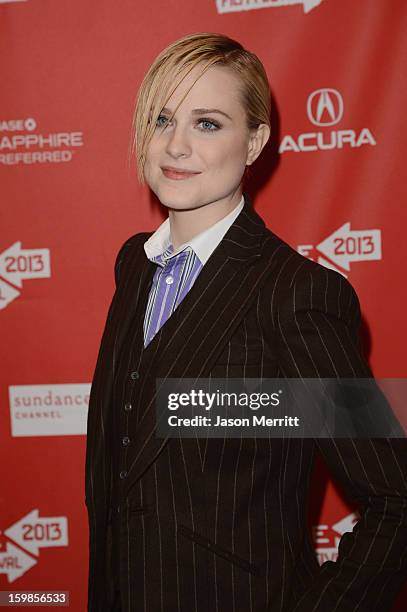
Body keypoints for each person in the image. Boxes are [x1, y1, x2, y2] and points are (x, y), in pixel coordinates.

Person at [85, 32, 407, 611]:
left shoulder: (298, 295)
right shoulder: (134, 267)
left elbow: (397, 497)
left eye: (207, 123)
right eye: (162, 119)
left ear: (255, 141)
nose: (175, 146)